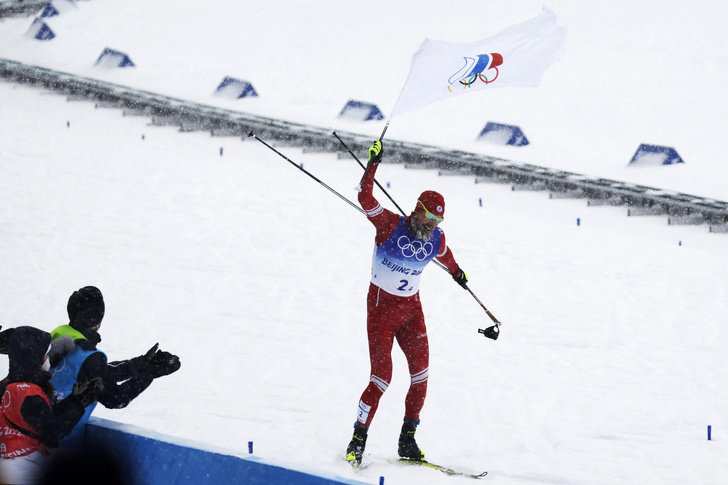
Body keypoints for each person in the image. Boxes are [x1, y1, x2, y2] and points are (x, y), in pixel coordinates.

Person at [344, 141, 470, 466]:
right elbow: (364, 197)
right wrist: (374, 163)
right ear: (417, 210)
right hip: (381, 313)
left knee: (421, 375)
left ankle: (407, 440)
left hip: (412, 313)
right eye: (427, 218)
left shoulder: (435, 240)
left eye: (437, 223)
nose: (430, 227)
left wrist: (458, 273)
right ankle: (358, 438)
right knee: (382, 377)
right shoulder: (389, 225)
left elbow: (446, 255)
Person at [49, 286, 181, 448]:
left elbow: (94, 373)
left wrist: (137, 364)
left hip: (39, 431)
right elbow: (115, 399)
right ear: (98, 319)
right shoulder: (89, 356)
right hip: (58, 449)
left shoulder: (58, 337)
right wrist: (149, 374)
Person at [0, 326, 103, 485]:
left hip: (12, 464)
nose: (48, 359)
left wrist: (74, 400)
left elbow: (43, 417)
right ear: (34, 359)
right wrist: (77, 405)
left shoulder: (11, 386)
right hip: (25, 469)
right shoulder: (29, 394)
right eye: (44, 355)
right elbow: (53, 431)